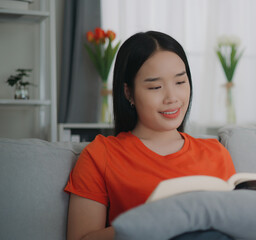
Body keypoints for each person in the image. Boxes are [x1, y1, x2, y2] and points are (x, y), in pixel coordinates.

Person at [65, 31, 236, 240]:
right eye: (155, 87)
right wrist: (154, 220)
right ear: (129, 93)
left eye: (180, 82)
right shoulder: (101, 155)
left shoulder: (215, 153)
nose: (172, 98)